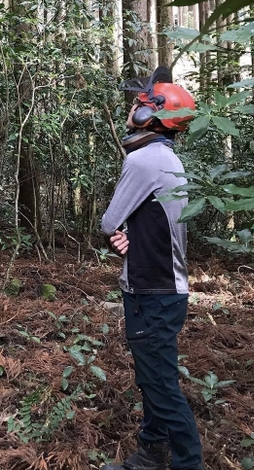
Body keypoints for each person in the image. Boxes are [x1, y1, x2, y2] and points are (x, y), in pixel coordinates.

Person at [99, 67, 204, 470]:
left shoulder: (145, 160)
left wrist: (120, 228)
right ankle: (152, 451)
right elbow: (143, 222)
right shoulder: (166, 158)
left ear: (150, 118)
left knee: (161, 386)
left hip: (153, 291)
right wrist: (131, 233)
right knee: (153, 379)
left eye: (137, 105)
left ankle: (186, 462)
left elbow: (110, 221)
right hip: (159, 287)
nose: (131, 110)